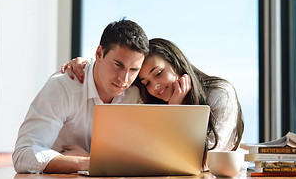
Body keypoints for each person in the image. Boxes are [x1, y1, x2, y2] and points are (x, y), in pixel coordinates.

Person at [63, 38, 244, 161]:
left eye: (159, 73)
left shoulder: (220, 93)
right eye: (146, 82)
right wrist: (84, 66)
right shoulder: (149, 100)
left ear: (176, 63)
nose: (155, 87)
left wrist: (175, 112)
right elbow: (140, 154)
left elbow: (208, 158)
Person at [13, 19, 149, 174]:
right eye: (118, 65)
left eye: (133, 70)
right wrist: (86, 163)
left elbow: (145, 157)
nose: (124, 79)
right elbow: (23, 155)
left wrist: (92, 160)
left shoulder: (137, 94)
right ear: (99, 53)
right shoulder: (64, 86)